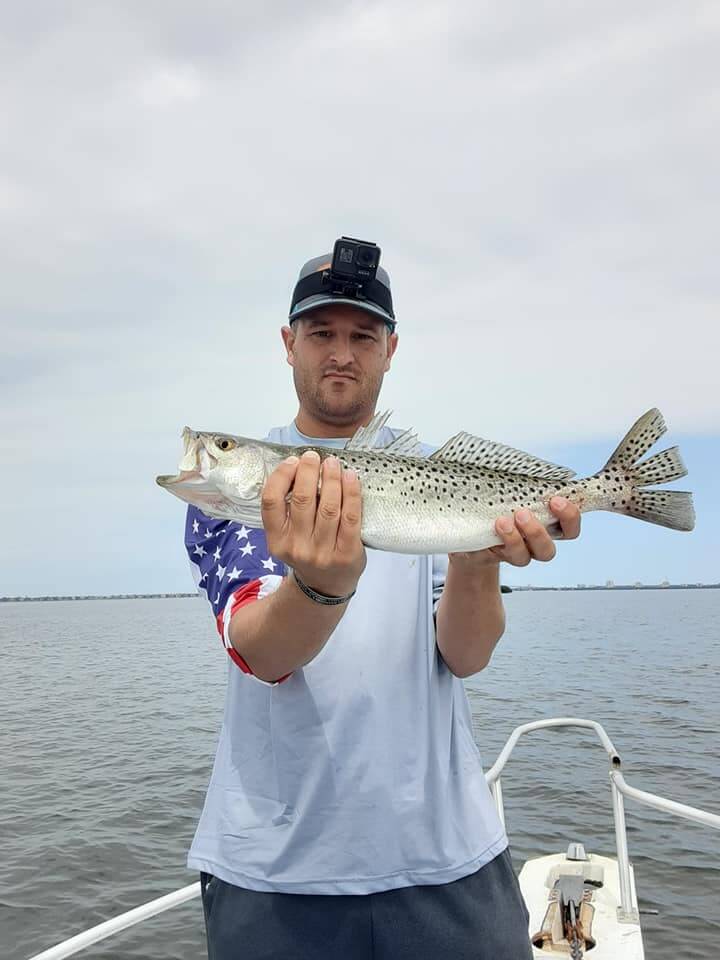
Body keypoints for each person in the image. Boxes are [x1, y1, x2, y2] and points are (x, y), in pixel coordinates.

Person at [183, 242, 582, 959]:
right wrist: (322, 587)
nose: (342, 354)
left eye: (363, 336)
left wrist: (475, 558)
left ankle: (620, 488)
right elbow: (261, 651)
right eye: (321, 333)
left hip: (447, 857)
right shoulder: (238, 498)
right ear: (288, 343)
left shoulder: (435, 475)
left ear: (390, 349)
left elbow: (466, 655)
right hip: (275, 871)